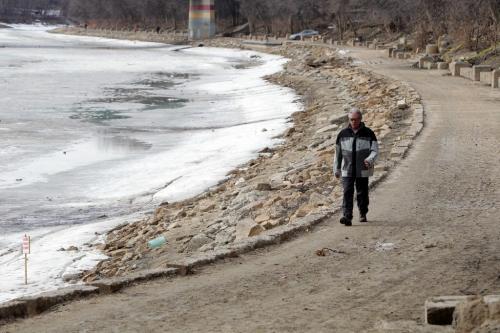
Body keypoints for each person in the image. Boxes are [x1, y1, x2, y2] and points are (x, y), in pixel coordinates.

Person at [334, 108, 378, 226]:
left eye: (356, 119)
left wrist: (370, 159)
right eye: (351, 119)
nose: (354, 122)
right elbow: (338, 154)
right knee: (347, 191)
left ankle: (363, 212)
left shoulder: (369, 133)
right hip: (347, 169)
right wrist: (336, 169)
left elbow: (374, 150)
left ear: (360, 119)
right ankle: (347, 216)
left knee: (362, 192)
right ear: (349, 119)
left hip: (363, 169)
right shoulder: (342, 134)